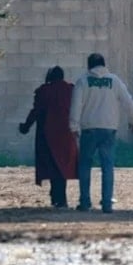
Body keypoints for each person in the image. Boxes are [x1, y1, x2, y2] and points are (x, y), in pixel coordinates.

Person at [69, 53, 133, 214]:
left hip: (89, 129)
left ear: (89, 66)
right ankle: (107, 203)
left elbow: (76, 105)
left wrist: (73, 127)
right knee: (107, 166)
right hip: (109, 129)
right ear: (104, 64)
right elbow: (128, 101)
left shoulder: (83, 81)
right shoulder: (114, 81)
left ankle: (85, 202)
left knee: (85, 165)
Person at [19, 66, 79, 208]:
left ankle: (56, 196)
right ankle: (60, 197)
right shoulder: (71, 90)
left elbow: (36, 110)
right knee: (62, 165)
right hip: (66, 133)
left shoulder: (44, 91)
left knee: (53, 165)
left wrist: (26, 126)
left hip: (48, 134)